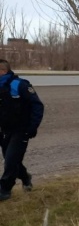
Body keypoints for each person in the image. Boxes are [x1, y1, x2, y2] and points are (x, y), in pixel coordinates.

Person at [0, 59, 44, 201]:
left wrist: (32, 127)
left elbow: (37, 106)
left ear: (3, 71)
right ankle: (26, 177)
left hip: (21, 130)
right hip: (5, 130)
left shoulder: (20, 85)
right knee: (11, 159)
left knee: (11, 161)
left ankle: (5, 189)